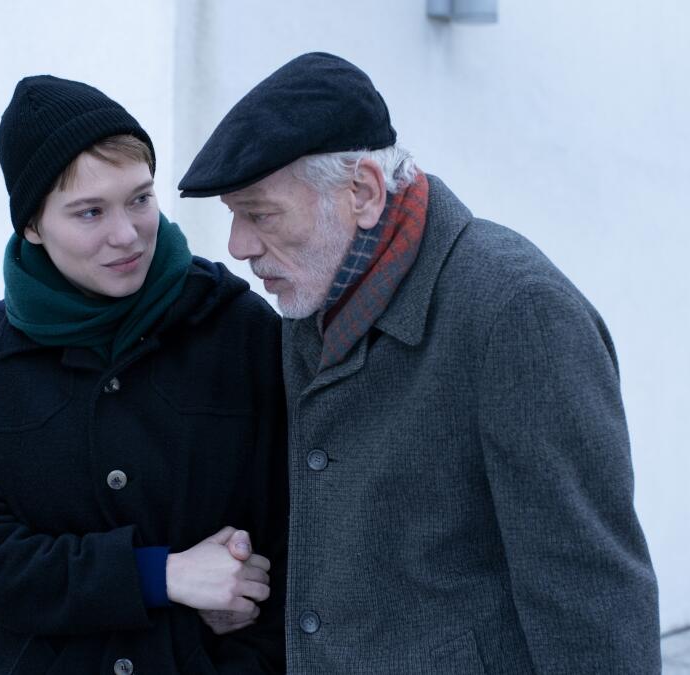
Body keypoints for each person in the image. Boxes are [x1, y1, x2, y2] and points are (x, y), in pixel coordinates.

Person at [178, 52, 660, 673]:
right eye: (233, 215)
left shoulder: (518, 313)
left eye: (261, 214)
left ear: (363, 193)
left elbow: (590, 592)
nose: (238, 246)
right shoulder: (319, 288)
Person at [0, 76, 286, 674]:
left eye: (140, 198)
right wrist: (162, 575)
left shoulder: (237, 328)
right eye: (90, 212)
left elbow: (296, 527)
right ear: (33, 225)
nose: (126, 234)